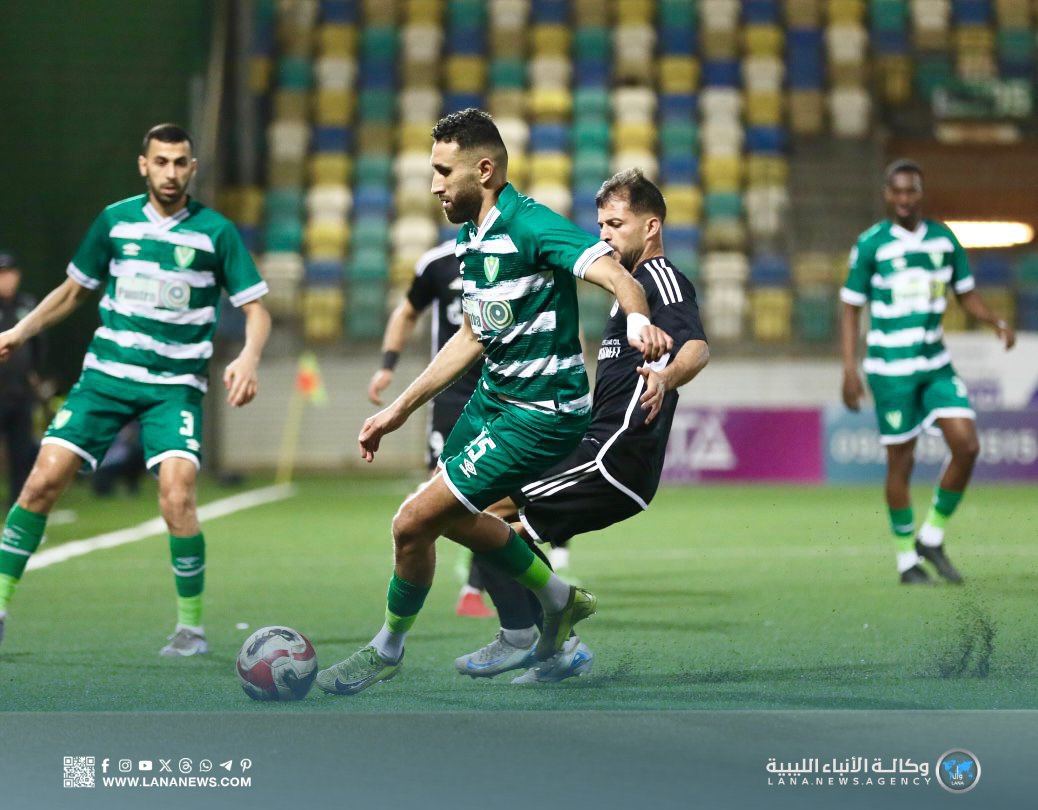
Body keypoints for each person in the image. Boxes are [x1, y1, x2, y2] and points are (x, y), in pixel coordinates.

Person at [315, 108, 672, 696]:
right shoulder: (470, 239)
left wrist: (637, 322)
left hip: (539, 415)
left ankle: (388, 649)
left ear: (483, 170)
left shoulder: (531, 225)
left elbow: (621, 279)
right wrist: (398, 410)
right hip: (492, 403)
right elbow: (472, 336)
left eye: (442, 171)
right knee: (447, 520)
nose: (434, 185)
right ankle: (554, 604)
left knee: (411, 522)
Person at [0, 123, 271, 651]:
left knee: (177, 496)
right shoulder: (115, 221)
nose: (171, 172)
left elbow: (256, 310)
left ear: (192, 168)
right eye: (161, 161)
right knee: (40, 482)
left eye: (180, 162)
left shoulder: (216, 232)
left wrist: (249, 356)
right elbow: (72, 292)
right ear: (143, 165)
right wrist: (18, 332)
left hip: (174, 387)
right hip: (106, 378)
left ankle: (190, 629)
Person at [455, 168, 710, 683]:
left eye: (616, 224)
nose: (604, 235)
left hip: (615, 455)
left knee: (481, 516)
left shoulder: (660, 279)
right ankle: (556, 646)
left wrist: (666, 377)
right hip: (596, 445)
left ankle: (532, 638)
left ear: (652, 227)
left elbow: (698, 347)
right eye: (600, 226)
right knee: (481, 511)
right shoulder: (626, 293)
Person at [840, 159, 1015, 585]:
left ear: (921, 193)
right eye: (897, 191)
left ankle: (932, 536)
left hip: (935, 364)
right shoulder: (871, 244)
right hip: (890, 369)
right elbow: (850, 307)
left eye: (911, 191)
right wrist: (849, 368)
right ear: (887, 194)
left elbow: (966, 294)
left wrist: (994, 320)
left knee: (967, 445)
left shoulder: (943, 239)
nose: (904, 199)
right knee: (901, 462)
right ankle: (906, 560)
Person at [366, 239, 494, 618]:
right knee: (437, 504)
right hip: (450, 395)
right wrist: (387, 365)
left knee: (502, 499)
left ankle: (476, 589)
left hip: (505, 390)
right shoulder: (437, 263)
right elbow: (406, 312)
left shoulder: (516, 251)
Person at [0, 252, 44, 508]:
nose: (6, 280)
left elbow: (38, 344)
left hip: (20, 393)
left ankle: (18, 506)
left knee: (22, 454)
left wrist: (35, 374)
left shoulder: (27, 304)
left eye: (9, 274)